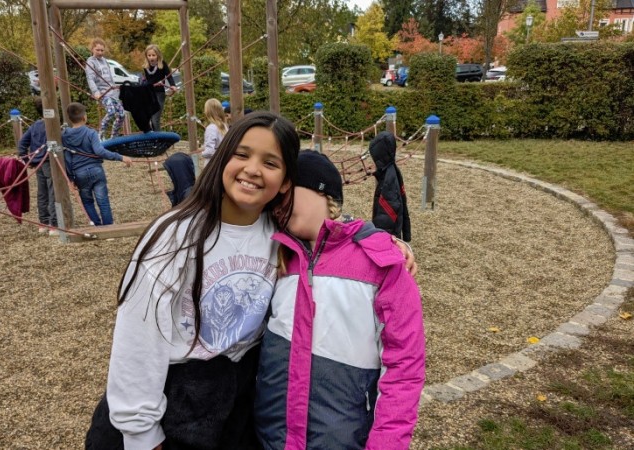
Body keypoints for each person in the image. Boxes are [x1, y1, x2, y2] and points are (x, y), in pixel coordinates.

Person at [83, 113, 417, 449]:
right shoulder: (176, 236)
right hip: (172, 400)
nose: (253, 169)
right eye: (241, 154)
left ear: (285, 182)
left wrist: (383, 242)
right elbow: (137, 340)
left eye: (270, 163)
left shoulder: (278, 235)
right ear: (222, 158)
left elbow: (330, 234)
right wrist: (141, 434)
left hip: (234, 405)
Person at [254, 150, 425, 449]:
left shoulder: (381, 262)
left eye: (286, 193)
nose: (278, 205)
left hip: (341, 438)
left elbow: (404, 368)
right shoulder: (275, 254)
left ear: (322, 192)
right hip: (273, 436)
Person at [62, 102, 132, 226]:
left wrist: (70, 178)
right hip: (96, 170)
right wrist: (120, 157)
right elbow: (99, 151)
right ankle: (108, 227)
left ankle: (97, 226)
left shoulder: (65, 136)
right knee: (103, 201)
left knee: (87, 202)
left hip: (79, 173)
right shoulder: (91, 133)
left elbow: (67, 157)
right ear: (84, 117)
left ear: (70, 118)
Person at [17, 96, 58, 235]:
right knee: (53, 192)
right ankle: (54, 224)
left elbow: (22, 144)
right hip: (49, 161)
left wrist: (26, 159)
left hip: (37, 162)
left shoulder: (35, 125)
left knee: (42, 193)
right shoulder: (52, 125)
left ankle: (43, 222)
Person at [369, 131, 411, 242]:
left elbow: (386, 215)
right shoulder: (391, 170)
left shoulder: (389, 179)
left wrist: (380, 238)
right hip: (392, 232)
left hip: (389, 236)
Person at [85, 38, 125, 140]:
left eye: (102, 50)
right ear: (92, 49)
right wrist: (96, 92)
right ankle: (101, 135)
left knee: (121, 114)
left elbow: (110, 77)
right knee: (111, 111)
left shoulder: (105, 61)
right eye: (97, 50)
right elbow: (90, 78)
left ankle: (114, 136)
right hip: (103, 92)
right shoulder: (90, 62)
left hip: (112, 91)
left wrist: (115, 89)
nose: (100, 52)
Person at [142, 44, 178, 132]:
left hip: (159, 93)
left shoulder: (162, 64)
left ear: (157, 55)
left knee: (155, 119)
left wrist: (173, 85)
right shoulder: (146, 66)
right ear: (146, 56)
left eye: (153, 55)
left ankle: (158, 137)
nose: (151, 57)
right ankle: (154, 136)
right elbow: (147, 80)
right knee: (149, 119)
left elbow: (169, 76)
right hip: (150, 94)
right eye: (149, 55)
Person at [201, 98, 228, 166]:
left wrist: (202, 153)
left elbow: (209, 151)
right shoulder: (224, 126)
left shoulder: (211, 128)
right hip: (222, 161)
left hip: (212, 163)